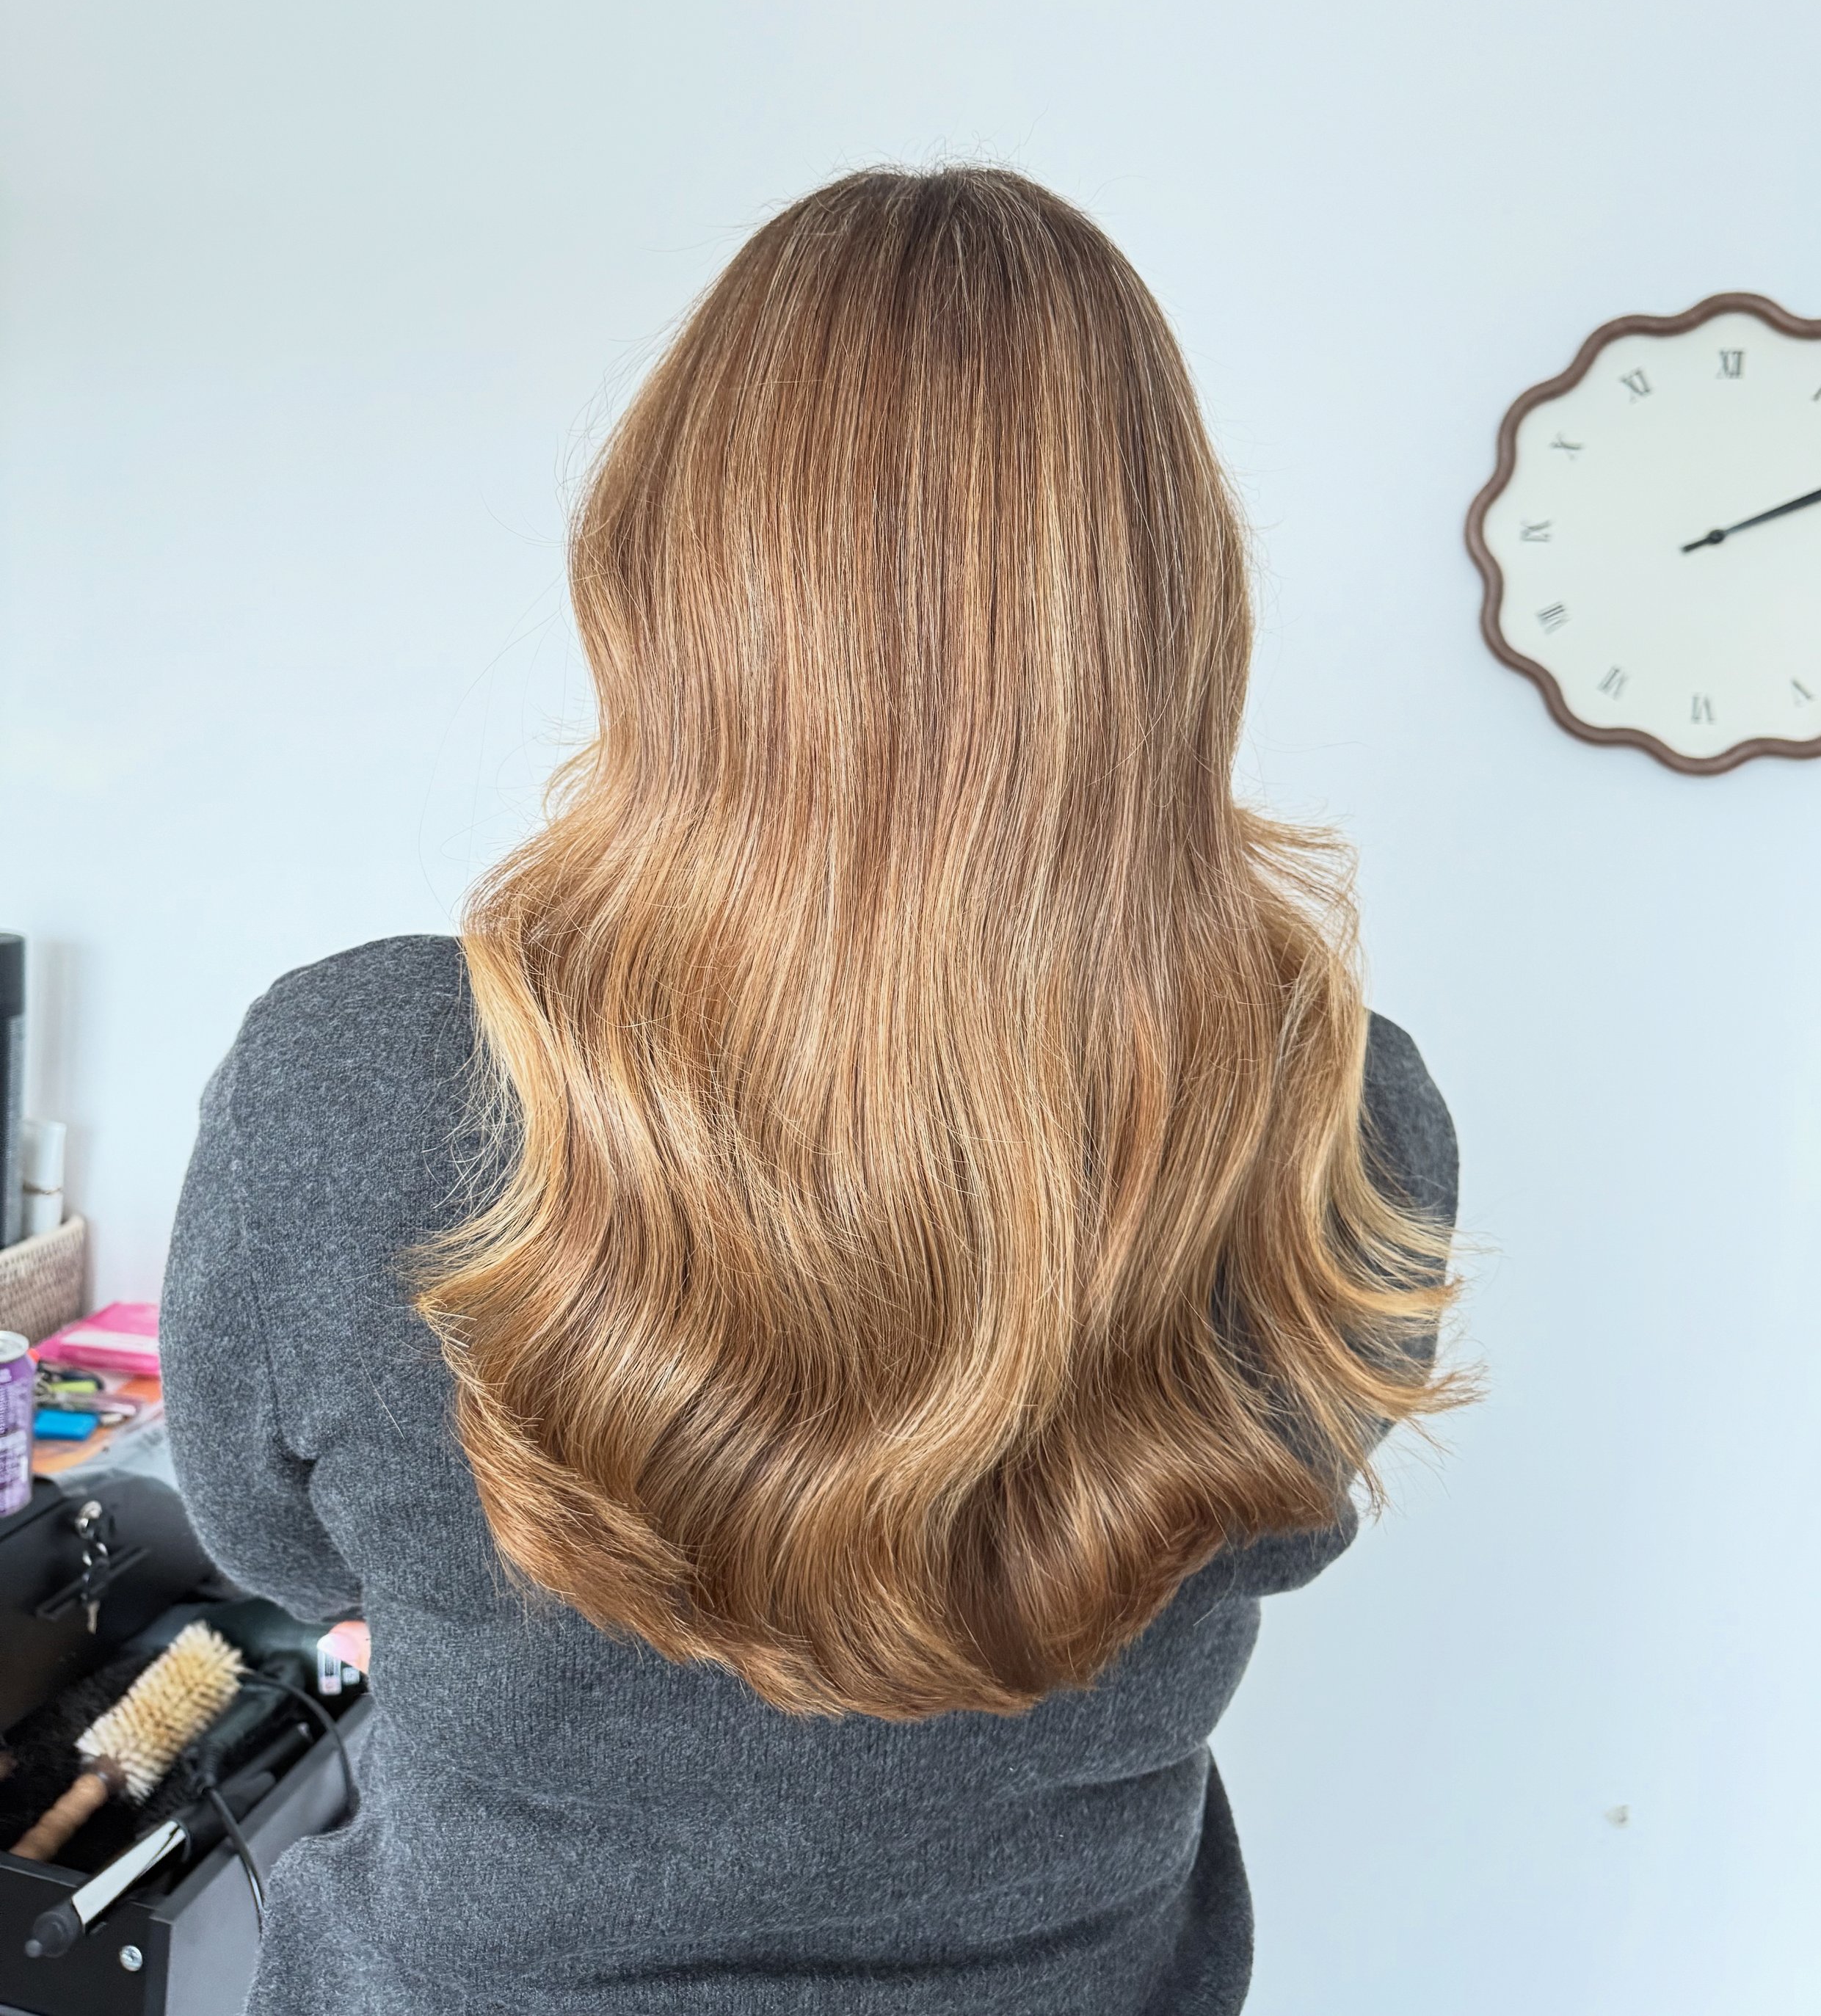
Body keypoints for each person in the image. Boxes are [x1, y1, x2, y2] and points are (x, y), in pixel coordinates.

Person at [161, 167, 1461, 2016]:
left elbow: (272, 1544)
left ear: (659, 562)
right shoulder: (1342, 1104)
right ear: (1168, 605)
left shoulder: (356, 1082)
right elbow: (1270, 1532)